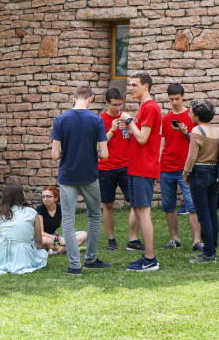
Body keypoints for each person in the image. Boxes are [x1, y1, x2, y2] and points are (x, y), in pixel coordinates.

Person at [51, 85, 110, 274]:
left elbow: (55, 155)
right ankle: (90, 259)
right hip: (89, 176)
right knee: (94, 216)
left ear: (73, 98)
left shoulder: (61, 120)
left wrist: (68, 151)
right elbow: (105, 154)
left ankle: (75, 265)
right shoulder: (97, 120)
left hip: (67, 176)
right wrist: (92, 150)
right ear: (90, 99)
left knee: (68, 220)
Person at [120, 72, 162, 272]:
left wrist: (129, 121)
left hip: (144, 168)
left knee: (143, 213)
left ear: (146, 86)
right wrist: (129, 129)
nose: (130, 88)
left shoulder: (150, 107)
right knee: (138, 210)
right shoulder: (144, 107)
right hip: (137, 166)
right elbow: (140, 137)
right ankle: (147, 257)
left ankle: (150, 259)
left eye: (134, 85)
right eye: (130, 85)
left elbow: (143, 138)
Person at [159, 83, 202, 251]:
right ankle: (174, 239)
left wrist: (184, 132)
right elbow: (162, 144)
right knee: (169, 206)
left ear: (183, 96)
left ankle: (197, 241)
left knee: (192, 205)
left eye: (177, 98)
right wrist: (158, 165)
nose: (175, 102)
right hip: (166, 167)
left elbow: (198, 142)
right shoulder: (165, 119)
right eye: (171, 99)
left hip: (186, 168)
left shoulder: (192, 116)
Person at [182, 99, 219, 263]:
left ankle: (209, 253)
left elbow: (192, 156)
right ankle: (211, 248)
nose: (189, 114)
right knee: (212, 212)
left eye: (191, 112)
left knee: (203, 214)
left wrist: (186, 172)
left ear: (197, 115)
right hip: (215, 172)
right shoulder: (218, 130)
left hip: (199, 173)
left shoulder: (196, 130)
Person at [0, 183, 50, 274]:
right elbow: (38, 240)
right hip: (21, 252)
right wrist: (37, 251)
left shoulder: (1, 214)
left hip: (1, 253)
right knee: (41, 254)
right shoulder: (31, 213)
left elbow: (1, 236)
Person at [98, 88, 133, 251]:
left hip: (126, 166)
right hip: (106, 168)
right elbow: (99, 145)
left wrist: (131, 129)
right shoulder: (100, 120)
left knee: (134, 203)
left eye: (120, 104)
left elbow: (135, 139)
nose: (118, 108)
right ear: (107, 103)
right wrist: (112, 129)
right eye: (115, 105)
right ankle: (111, 239)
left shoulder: (126, 117)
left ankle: (133, 238)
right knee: (108, 205)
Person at [36, 185, 86, 254]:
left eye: (48, 196)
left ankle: (58, 250)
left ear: (56, 198)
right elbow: (40, 233)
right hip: (44, 237)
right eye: (43, 197)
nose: (45, 199)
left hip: (55, 237)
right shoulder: (40, 210)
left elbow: (68, 227)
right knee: (44, 241)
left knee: (84, 234)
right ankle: (67, 248)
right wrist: (57, 238)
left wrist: (65, 239)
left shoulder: (61, 209)